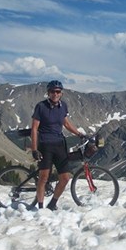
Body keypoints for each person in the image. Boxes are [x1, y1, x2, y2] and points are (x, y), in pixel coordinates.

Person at [31, 80, 83, 210]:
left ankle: (52, 204)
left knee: (65, 178)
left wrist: (79, 134)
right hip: (45, 145)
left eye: (58, 91)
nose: (55, 94)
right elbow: (34, 128)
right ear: (48, 93)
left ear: (61, 93)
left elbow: (65, 123)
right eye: (52, 91)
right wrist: (34, 149)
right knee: (43, 178)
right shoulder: (41, 106)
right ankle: (41, 208)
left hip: (59, 145)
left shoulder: (63, 106)